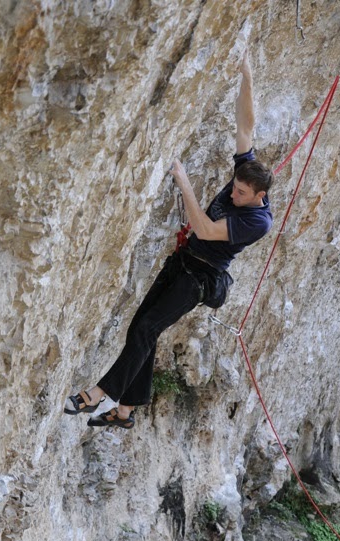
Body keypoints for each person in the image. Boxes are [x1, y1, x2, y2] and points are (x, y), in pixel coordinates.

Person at [64, 50, 274, 429]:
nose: (234, 194)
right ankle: (124, 412)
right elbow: (247, 124)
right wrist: (247, 72)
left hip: (200, 278)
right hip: (184, 261)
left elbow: (208, 230)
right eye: (236, 187)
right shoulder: (246, 177)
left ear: (259, 196)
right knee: (141, 327)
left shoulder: (258, 220)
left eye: (241, 193)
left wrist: (184, 181)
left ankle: (98, 394)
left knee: (147, 329)